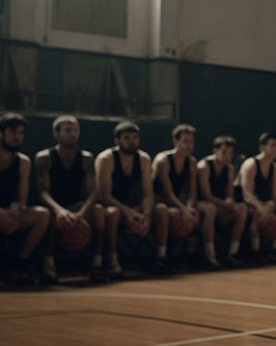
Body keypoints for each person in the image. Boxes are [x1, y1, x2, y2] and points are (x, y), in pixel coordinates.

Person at [36, 116, 112, 282]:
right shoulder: (45, 158)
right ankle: (48, 266)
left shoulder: (86, 158)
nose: (73, 134)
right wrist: (60, 211)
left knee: (99, 210)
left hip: (77, 206)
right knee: (48, 215)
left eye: (76, 130)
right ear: (56, 134)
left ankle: (97, 264)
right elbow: (43, 193)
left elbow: (94, 192)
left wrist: (82, 214)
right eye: (68, 130)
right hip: (55, 206)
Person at [95, 121, 169, 274]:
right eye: (127, 138)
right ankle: (112, 261)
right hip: (110, 206)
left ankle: (161, 257)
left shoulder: (143, 159)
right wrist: (128, 213)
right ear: (117, 141)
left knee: (161, 209)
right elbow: (104, 196)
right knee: (113, 213)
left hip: (133, 207)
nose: (132, 142)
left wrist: (146, 214)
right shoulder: (106, 159)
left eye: (135, 138)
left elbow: (148, 193)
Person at [153, 124, 216, 268]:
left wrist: (189, 207)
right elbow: (167, 192)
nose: (189, 145)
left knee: (199, 211)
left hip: (177, 201)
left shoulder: (192, 162)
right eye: (185, 141)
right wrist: (184, 209)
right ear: (175, 141)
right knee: (170, 212)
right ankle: (160, 256)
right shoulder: (163, 160)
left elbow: (193, 191)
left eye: (192, 141)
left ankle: (198, 254)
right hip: (159, 200)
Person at [0, 113, 51, 284]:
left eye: (21, 133)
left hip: (8, 215)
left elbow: (22, 198)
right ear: (1, 133)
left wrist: (16, 208)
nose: (18, 137)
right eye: (13, 132)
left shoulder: (23, 162)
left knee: (42, 214)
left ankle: (17, 265)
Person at [197, 136, 248, 267]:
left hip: (219, 204)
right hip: (201, 204)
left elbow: (230, 194)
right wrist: (227, 205)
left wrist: (230, 204)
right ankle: (210, 255)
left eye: (231, 153)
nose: (228, 156)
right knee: (210, 209)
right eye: (224, 152)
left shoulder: (229, 169)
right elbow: (206, 196)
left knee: (242, 208)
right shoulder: (204, 166)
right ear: (215, 151)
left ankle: (232, 253)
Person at [238, 132, 276, 263]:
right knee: (255, 212)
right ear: (262, 147)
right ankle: (256, 251)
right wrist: (262, 209)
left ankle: (274, 250)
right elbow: (246, 194)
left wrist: (270, 207)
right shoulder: (251, 164)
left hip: (260, 201)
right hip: (243, 201)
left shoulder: (275, 168)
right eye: (273, 145)